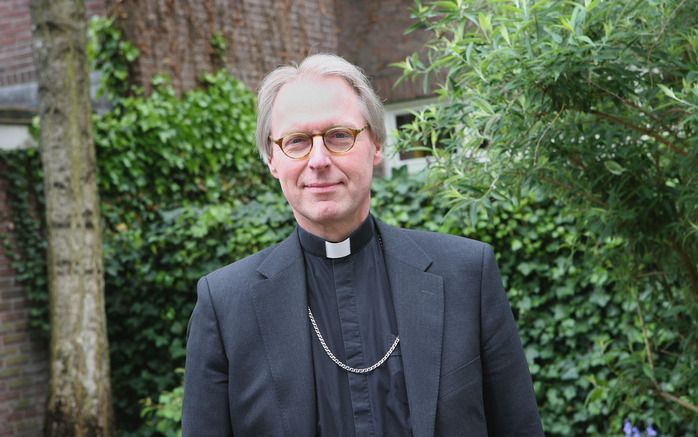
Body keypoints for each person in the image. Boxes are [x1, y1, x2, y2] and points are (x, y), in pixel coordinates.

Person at [182, 53, 544, 437]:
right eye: (297, 141)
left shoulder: (466, 276)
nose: (318, 160)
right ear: (273, 160)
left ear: (375, 145)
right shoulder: (225, 305)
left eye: (339, 136)